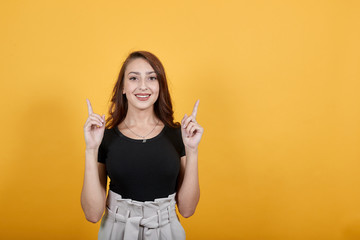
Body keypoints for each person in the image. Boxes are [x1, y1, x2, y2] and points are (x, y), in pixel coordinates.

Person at [80, 51, 203, 240]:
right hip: (117, 231)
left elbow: (187, 210)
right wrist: (91, 149)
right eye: (134, 78)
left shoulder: (179, 135)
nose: (143, 86)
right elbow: (92, 214)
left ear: (160, 86)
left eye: (152, 78)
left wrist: (192, 150)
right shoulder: (104, 137)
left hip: (166, 232)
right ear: (122, 87)